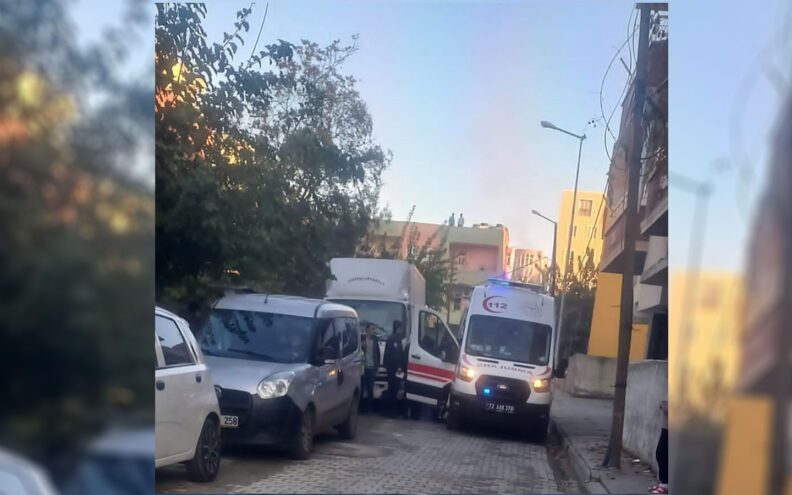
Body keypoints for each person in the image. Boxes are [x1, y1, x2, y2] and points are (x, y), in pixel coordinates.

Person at [382, 321, 405, 417]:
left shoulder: (390, 338)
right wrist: (399, 366)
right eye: (400, 328)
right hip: (394, 369)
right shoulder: (396, 339)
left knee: (391, 389)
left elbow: (386, 354)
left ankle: (388, 411)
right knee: (394, 390)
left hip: (390, 368)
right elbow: (397, 355)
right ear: (398, 328)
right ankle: (391, 411)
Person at [649, 399, 669, 494]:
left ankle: (666, 484)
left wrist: (664, 406)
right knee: (660, 453)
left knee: (663, 455)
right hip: (665, 427)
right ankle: (663, 483)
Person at [360, 324, 380, 414]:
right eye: (372, 329)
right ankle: (360, 408)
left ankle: (369, 408)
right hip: (363, 368)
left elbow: (378, 354)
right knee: (362, 388)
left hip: (371, 368)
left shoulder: (375, 341)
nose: (373, 331)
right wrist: (361, 346)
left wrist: (377, 366)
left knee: (370, 389)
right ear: (367, 330)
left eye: (374, 329)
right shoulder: (362, 339)